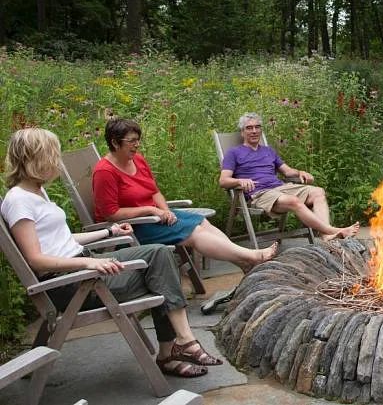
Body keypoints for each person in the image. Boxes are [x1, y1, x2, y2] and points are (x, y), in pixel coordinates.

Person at [1, 128, 222, 378]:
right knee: (161, 275)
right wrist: (89, 264)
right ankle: (172, 352)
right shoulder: (19, 201)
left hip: (82, 266)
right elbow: (36, 260)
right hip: (73, 286)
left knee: (159, 254)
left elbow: (62, 239)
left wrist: (109, 232)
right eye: (54, 154)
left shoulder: (36, 192)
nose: (57, 161)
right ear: (38, 157)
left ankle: (182, 342)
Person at [92, 119, 277, 273]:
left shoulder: (137, 159)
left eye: (138, 140)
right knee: (194, 233)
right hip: (132, 228)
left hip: (154, 217)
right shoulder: (104, 171)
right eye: (131, 141)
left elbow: (154, 191)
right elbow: (111, 214)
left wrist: (164, 210)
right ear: (115, 142)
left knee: (202, 222)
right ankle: (253, 256)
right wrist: (150, 210)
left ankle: (243, 262)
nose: (137, 145)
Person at [219, 112, 360, 241]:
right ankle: (333, 230)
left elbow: (287, 172)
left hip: (281, 188)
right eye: (249, 128)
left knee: (318, 192)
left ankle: (326, 236)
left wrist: (300, 172)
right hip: (260, 194)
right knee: (294, 201)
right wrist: (239, 180)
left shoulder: (269, 151)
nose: (254, 131)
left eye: (257, 127)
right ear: (242, 132)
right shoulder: (234, 153)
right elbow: (223, 180)